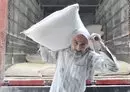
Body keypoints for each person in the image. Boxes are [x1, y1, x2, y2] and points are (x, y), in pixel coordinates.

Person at [39, 29, 119, 92]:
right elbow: (47, 58)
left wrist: (100, 44)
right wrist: (43, 43)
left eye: (83, 44)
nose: (78, 47)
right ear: (71, 39)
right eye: (76, 42)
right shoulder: (62, 51)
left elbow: (113, 68)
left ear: (88, 44)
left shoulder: (90, 56)